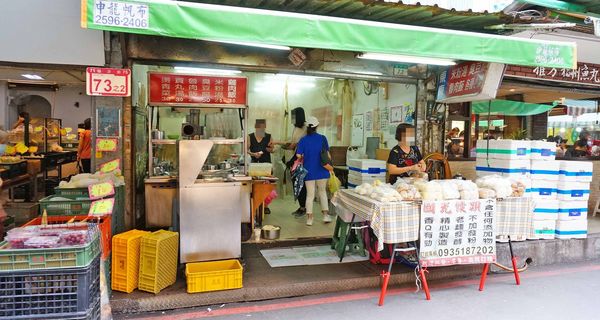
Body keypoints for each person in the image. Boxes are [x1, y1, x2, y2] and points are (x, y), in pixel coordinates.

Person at [296, 116, 333, 226]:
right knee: (322, 192)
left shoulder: (303, 140)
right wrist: (330, 166)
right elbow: (328, 154)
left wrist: (304, 155)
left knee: (310, 195)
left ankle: (309, 218)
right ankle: (326, 216)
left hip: (309, 171)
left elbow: (298, 155)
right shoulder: (322, 138)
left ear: (307, 127)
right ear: (317, 126)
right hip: (322, 169)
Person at [282, 107, 308, 217]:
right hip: (294, 158)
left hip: (301, 160)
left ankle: (304, 208)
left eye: (293, 117)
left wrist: (283, 145)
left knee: (301, 184)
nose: (292, 119)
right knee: (296, 184)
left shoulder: (306, 127)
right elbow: (293, 144)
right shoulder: (296, 128)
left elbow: (296, 145)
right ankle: (301, 206)